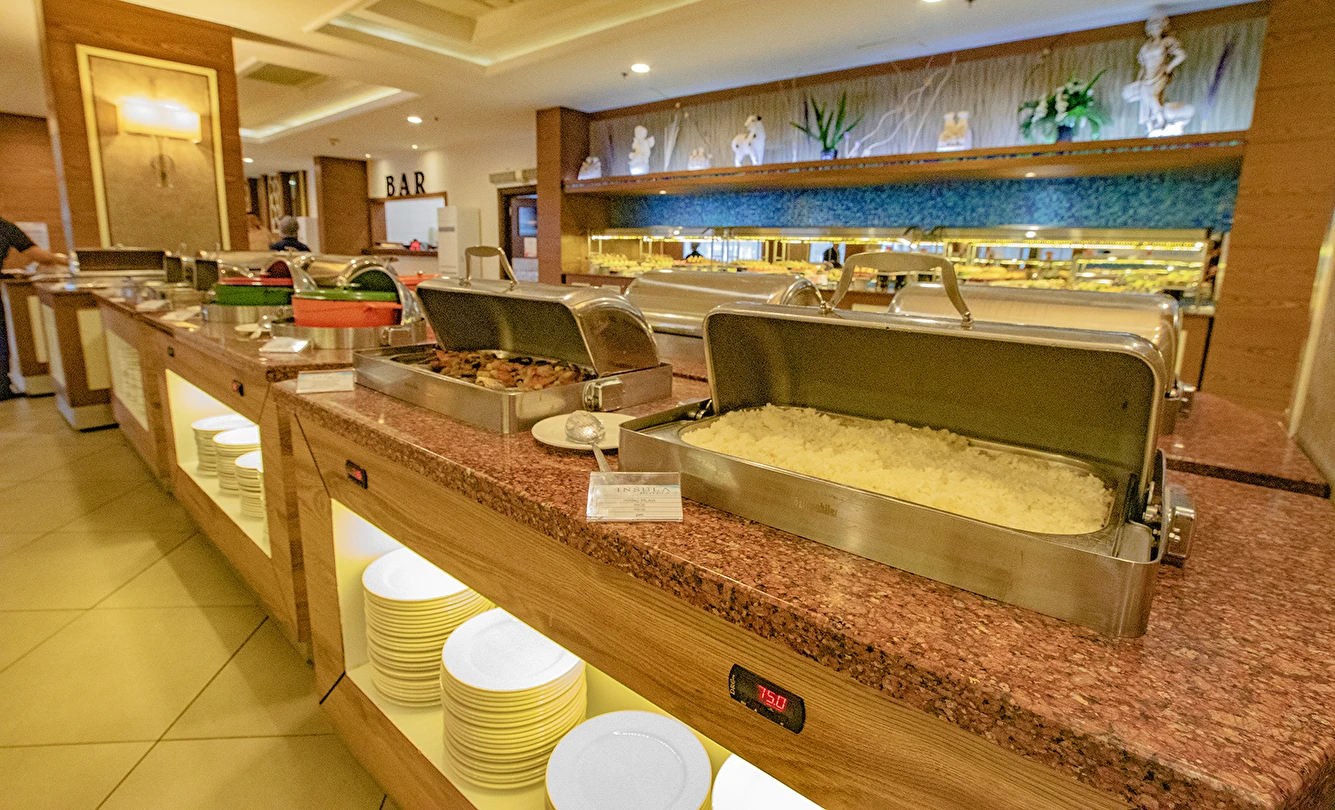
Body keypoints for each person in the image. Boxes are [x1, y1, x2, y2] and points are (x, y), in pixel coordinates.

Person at [0, 217, 65, 270]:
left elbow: (38, 254)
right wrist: (66, 261)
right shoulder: (5, 227)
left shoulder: (6, 227)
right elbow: (40, 255)